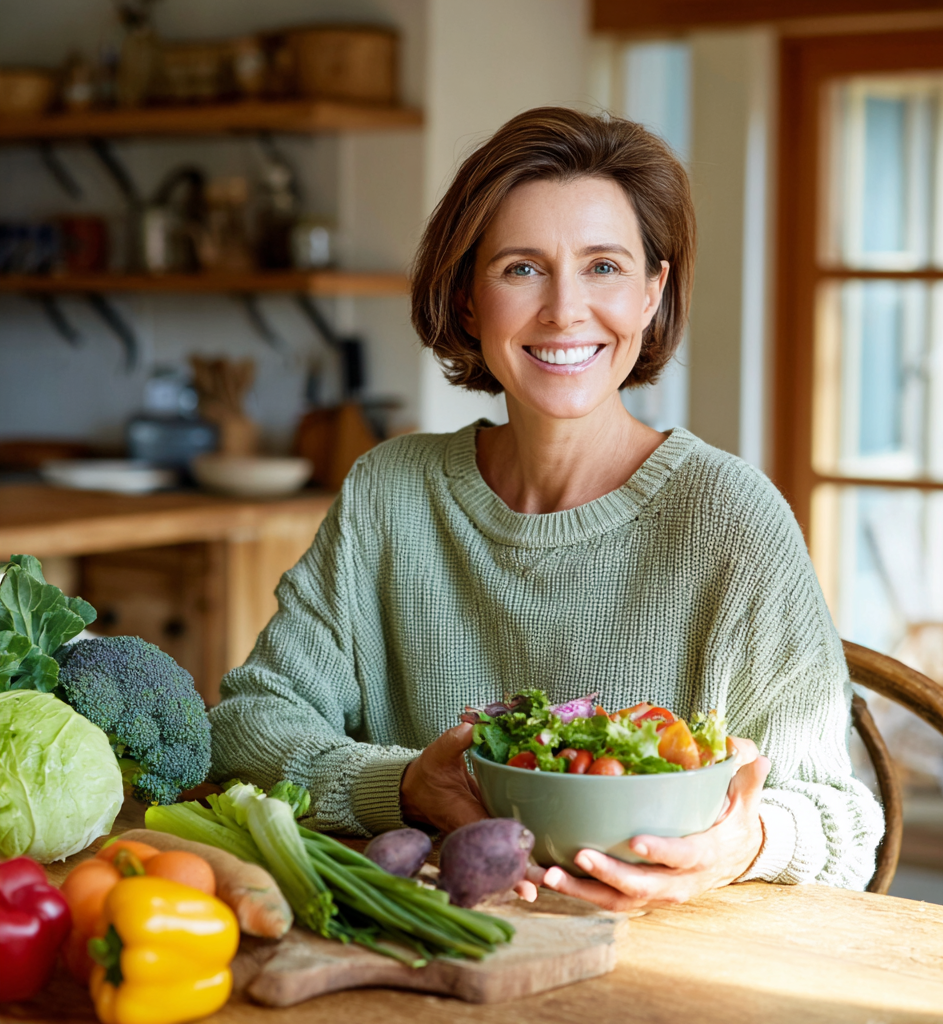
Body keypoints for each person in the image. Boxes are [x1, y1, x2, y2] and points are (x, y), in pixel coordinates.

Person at [209, 107, 883, 911]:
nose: (565, 311)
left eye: (603, 267)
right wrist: (404, 786)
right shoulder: (389, 495)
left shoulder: (733, 518)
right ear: (466, 300)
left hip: (661, 965)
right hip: (435, 942)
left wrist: (748, 842)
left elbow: (842, 822)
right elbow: (249, 726)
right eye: (522, 269)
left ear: (650, 295)